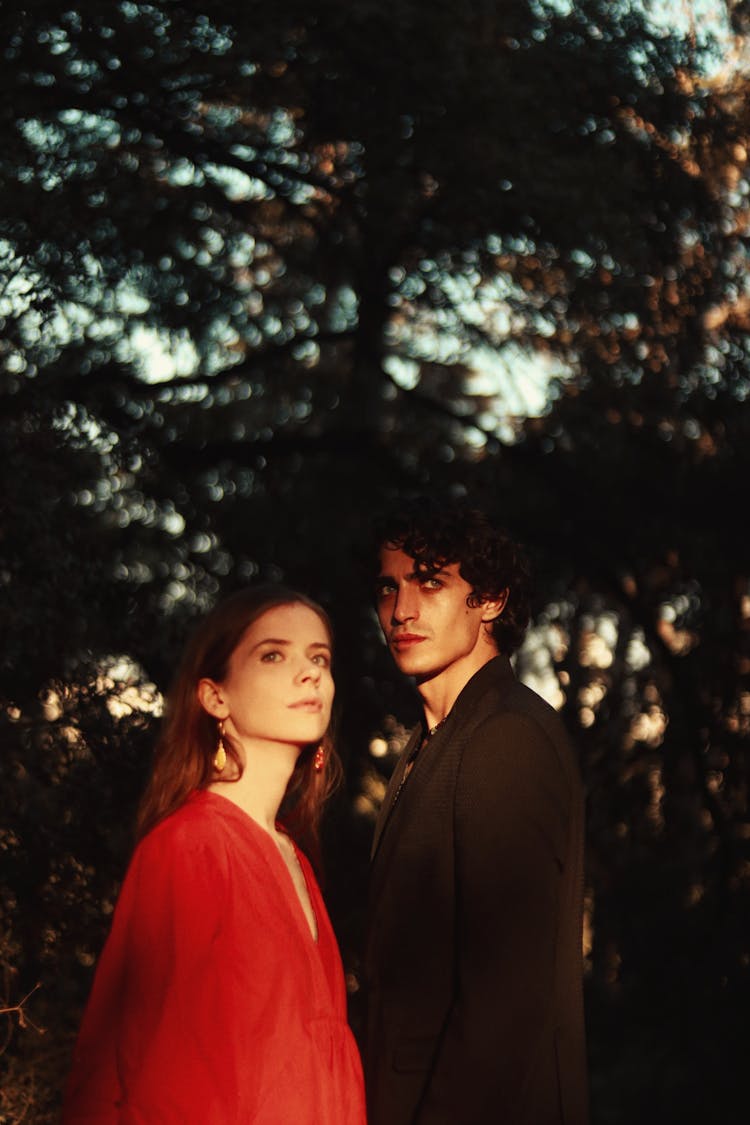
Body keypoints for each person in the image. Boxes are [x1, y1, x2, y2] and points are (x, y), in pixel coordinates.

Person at [63, 585, 366, 1125]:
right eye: (274, 654)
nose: (310, 673)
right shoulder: (191, 847)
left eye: (319, 657)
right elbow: (163, 1078)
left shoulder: (295, 857)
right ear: (214, 697)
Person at [364, 502, 588, 1125]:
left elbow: (506, 996)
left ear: (489, 600)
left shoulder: (506, 737)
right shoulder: (431, 741)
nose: (402, 610)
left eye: (430, 582)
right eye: (390, 586)